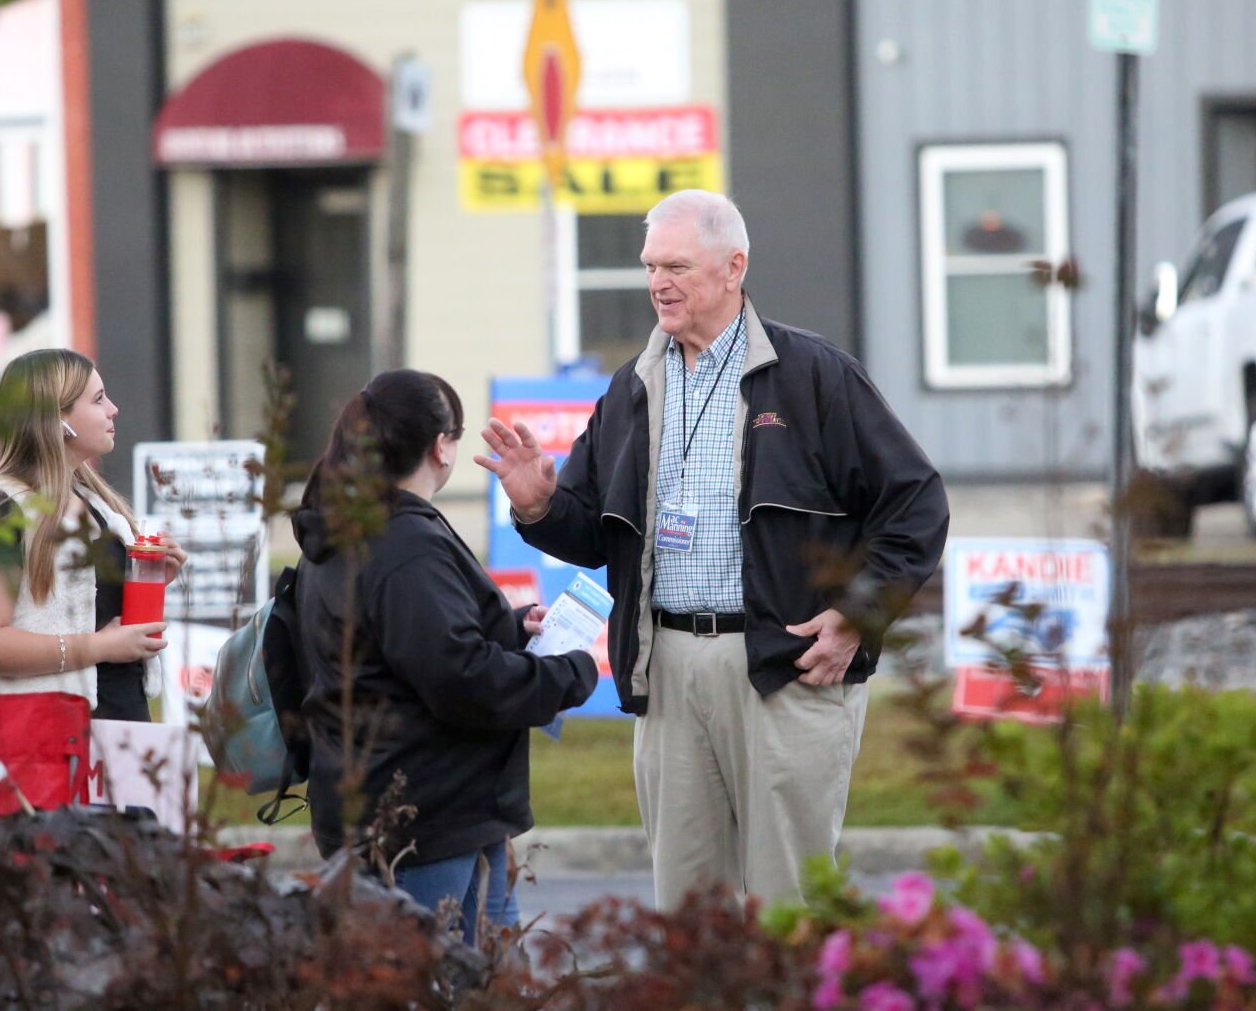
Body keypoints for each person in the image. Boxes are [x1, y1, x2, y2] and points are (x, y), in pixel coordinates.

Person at [477, 189, 949, 907]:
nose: (657, 282)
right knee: (688, 914)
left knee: (786, 905)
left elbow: (914, 503)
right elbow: (591, 532)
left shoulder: (812, 375)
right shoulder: (634, 383)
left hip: (783, 667)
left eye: (677, 265)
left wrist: (858, 613)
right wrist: (536, 503)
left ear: (733, 268)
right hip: (667, 667)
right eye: (649, 266)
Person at [291, 369, 597, 943]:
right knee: (446, 981)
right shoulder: (404, 544)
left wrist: (504, 627)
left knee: (483, 980)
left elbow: (390, 647)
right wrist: (569, 673)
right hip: (423, 816)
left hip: (394, 799)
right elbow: (461, 679)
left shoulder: (347, 526)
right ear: (441, 447)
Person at [0, 348, 183, 721]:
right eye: (99, 399)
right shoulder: (0, 510)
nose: (114, 410)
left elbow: (99, 618)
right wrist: (96, 647)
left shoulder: (97, 504)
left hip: (120, 726)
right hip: (42, 739)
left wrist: (147, 578)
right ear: (57, 420)